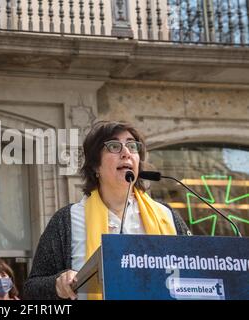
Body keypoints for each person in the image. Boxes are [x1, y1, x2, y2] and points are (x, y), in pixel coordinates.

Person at [23, 121, 191, 300]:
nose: (126, 152)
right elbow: (31, 289)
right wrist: (57, 284)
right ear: (95, 166)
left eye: (132, 146)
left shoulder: (167, 216)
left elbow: (197, 274)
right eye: (114, 146)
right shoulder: (67, 220)